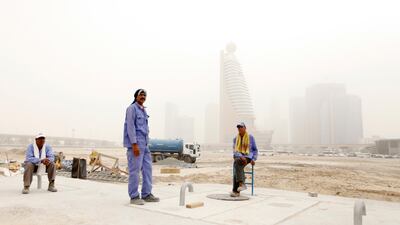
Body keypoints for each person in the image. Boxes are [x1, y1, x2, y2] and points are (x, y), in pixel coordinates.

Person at [123, 89, 159, 205]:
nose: (143, 96)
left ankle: (146, 194)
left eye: (144, 95)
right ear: (136, 96)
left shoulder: (143, 110)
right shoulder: (131, 109)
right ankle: (134, 196)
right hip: (136, 144)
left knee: (148, 170)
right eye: (141, 95)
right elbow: (130, 127)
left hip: (145, 144)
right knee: (135, 171)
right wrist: (134, 144)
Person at [231, 122, 258, 197]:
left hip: (248, 157)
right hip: (239, 157)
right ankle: (241, 183)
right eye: (238, 127)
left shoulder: (250, 137)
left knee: (236, 164)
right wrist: (240, 156)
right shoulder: (235, 139)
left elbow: (255, 150)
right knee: (237, 163)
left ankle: (236, 190)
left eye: (241, 127)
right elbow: (235, 151)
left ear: (245, 128)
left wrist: (253, 159)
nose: (239, 128)